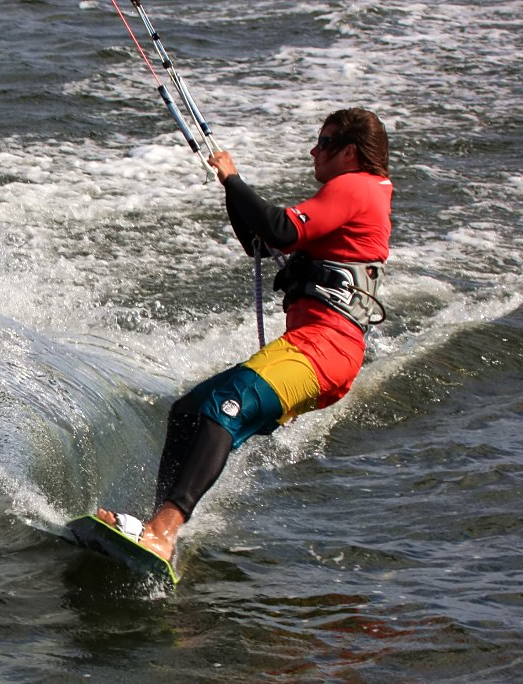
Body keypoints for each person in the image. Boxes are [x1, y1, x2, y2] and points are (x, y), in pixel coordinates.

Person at [97, 107, 393, 561]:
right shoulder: (359, 195)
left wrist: (235, 179)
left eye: (325, 141)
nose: (315, 150)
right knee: (189, 411)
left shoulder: (355, 185)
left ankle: (162, 532)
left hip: (326, 348)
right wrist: (229, 189)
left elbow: (280, 227)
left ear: (350, 152)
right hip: (312, 344)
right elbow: (262, 241)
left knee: (223, 408)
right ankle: (155, 529)